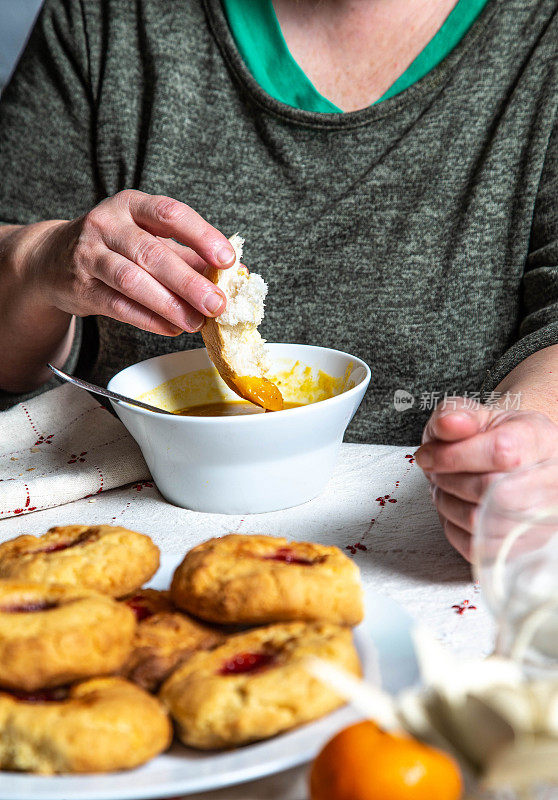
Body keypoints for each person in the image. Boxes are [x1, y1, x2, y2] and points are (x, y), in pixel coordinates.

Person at [0, 0, 556, 561]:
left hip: (439, 557)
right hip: (103, 546)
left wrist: (523, 446)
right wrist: (35, 258)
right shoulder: (107, 18)